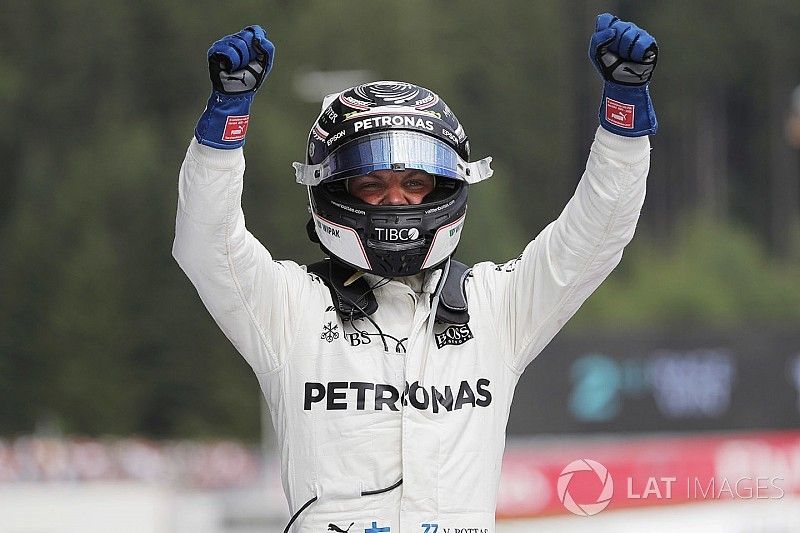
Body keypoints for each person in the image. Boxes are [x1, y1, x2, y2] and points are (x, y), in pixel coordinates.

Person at [173, 13, 658, 533]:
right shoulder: (292, 307)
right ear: (333, 192)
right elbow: (206, 244)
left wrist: (622, 119)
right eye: (372, 184)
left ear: (449, 187)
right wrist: (225, 124)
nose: (395, 201)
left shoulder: (495, 307)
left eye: (415, 183)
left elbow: (597, 236)